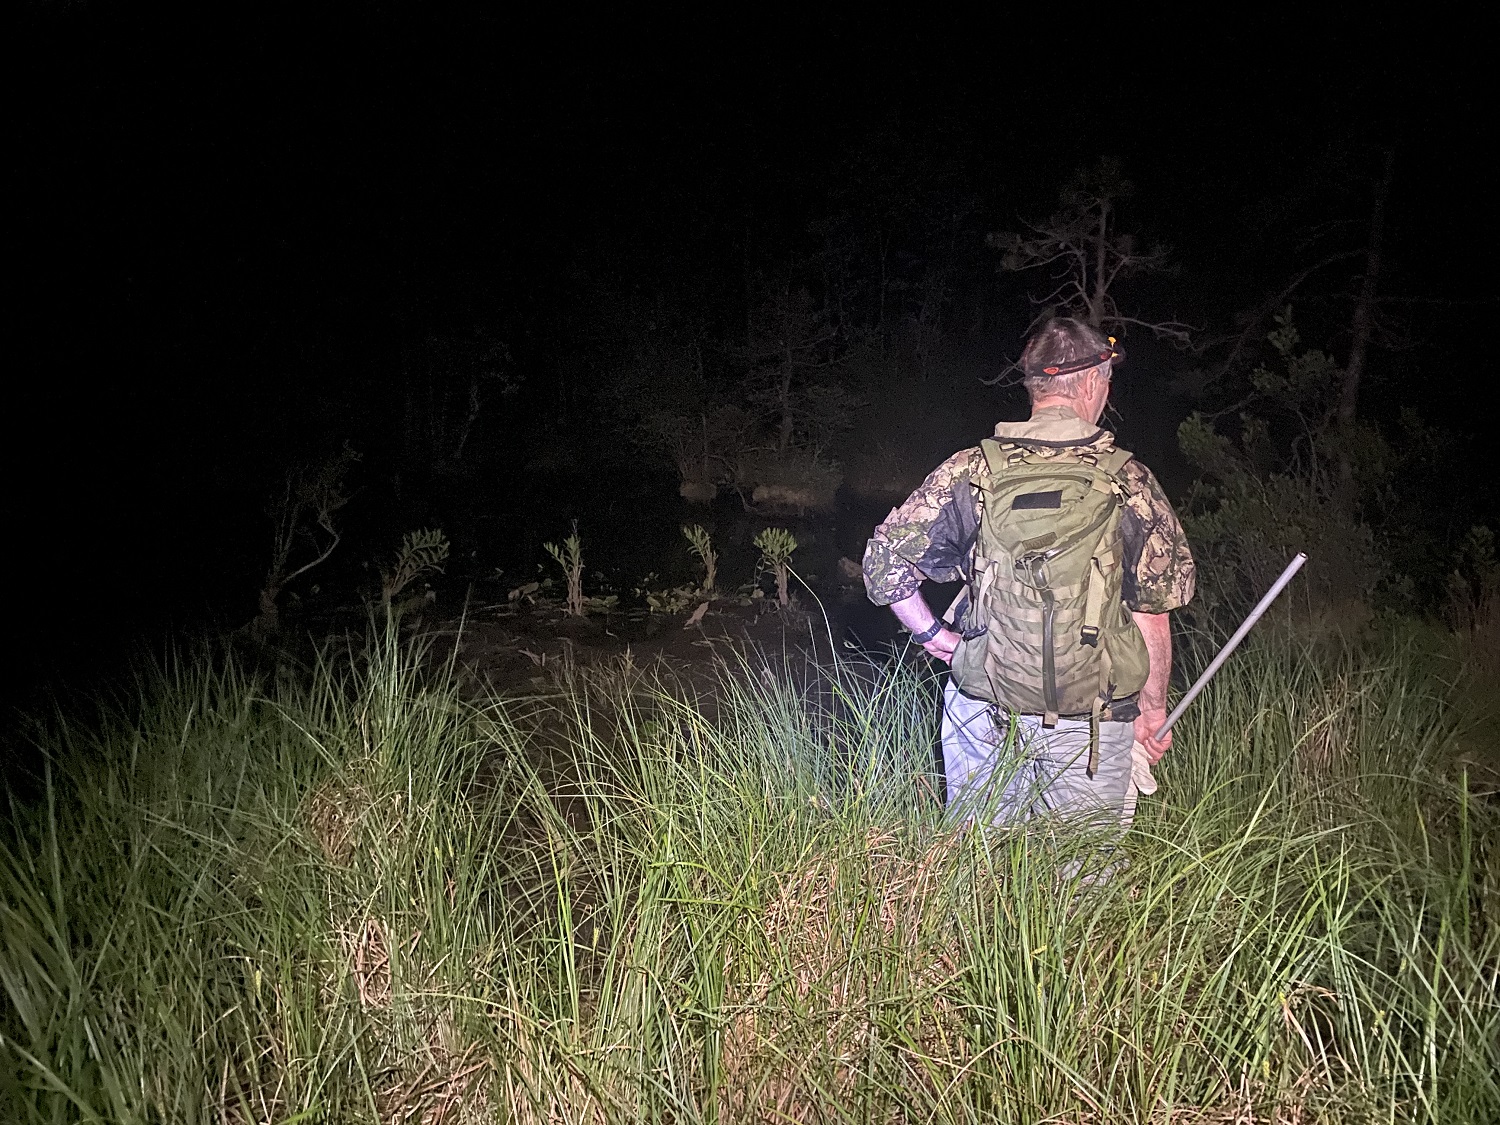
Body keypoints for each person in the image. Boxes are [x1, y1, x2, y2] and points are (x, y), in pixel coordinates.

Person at [862, 317, 1195, 829]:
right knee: (1080, 883)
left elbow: (885, 564)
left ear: (1034, 385)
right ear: (1088, 383)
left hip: (984, 709)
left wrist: (933, 636)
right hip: (1093, 722)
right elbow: (1151, 613)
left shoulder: (972, 470)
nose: (1106, 391)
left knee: (978, 872)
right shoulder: (1130, 480)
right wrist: (1152, 712)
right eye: (1106, 380)